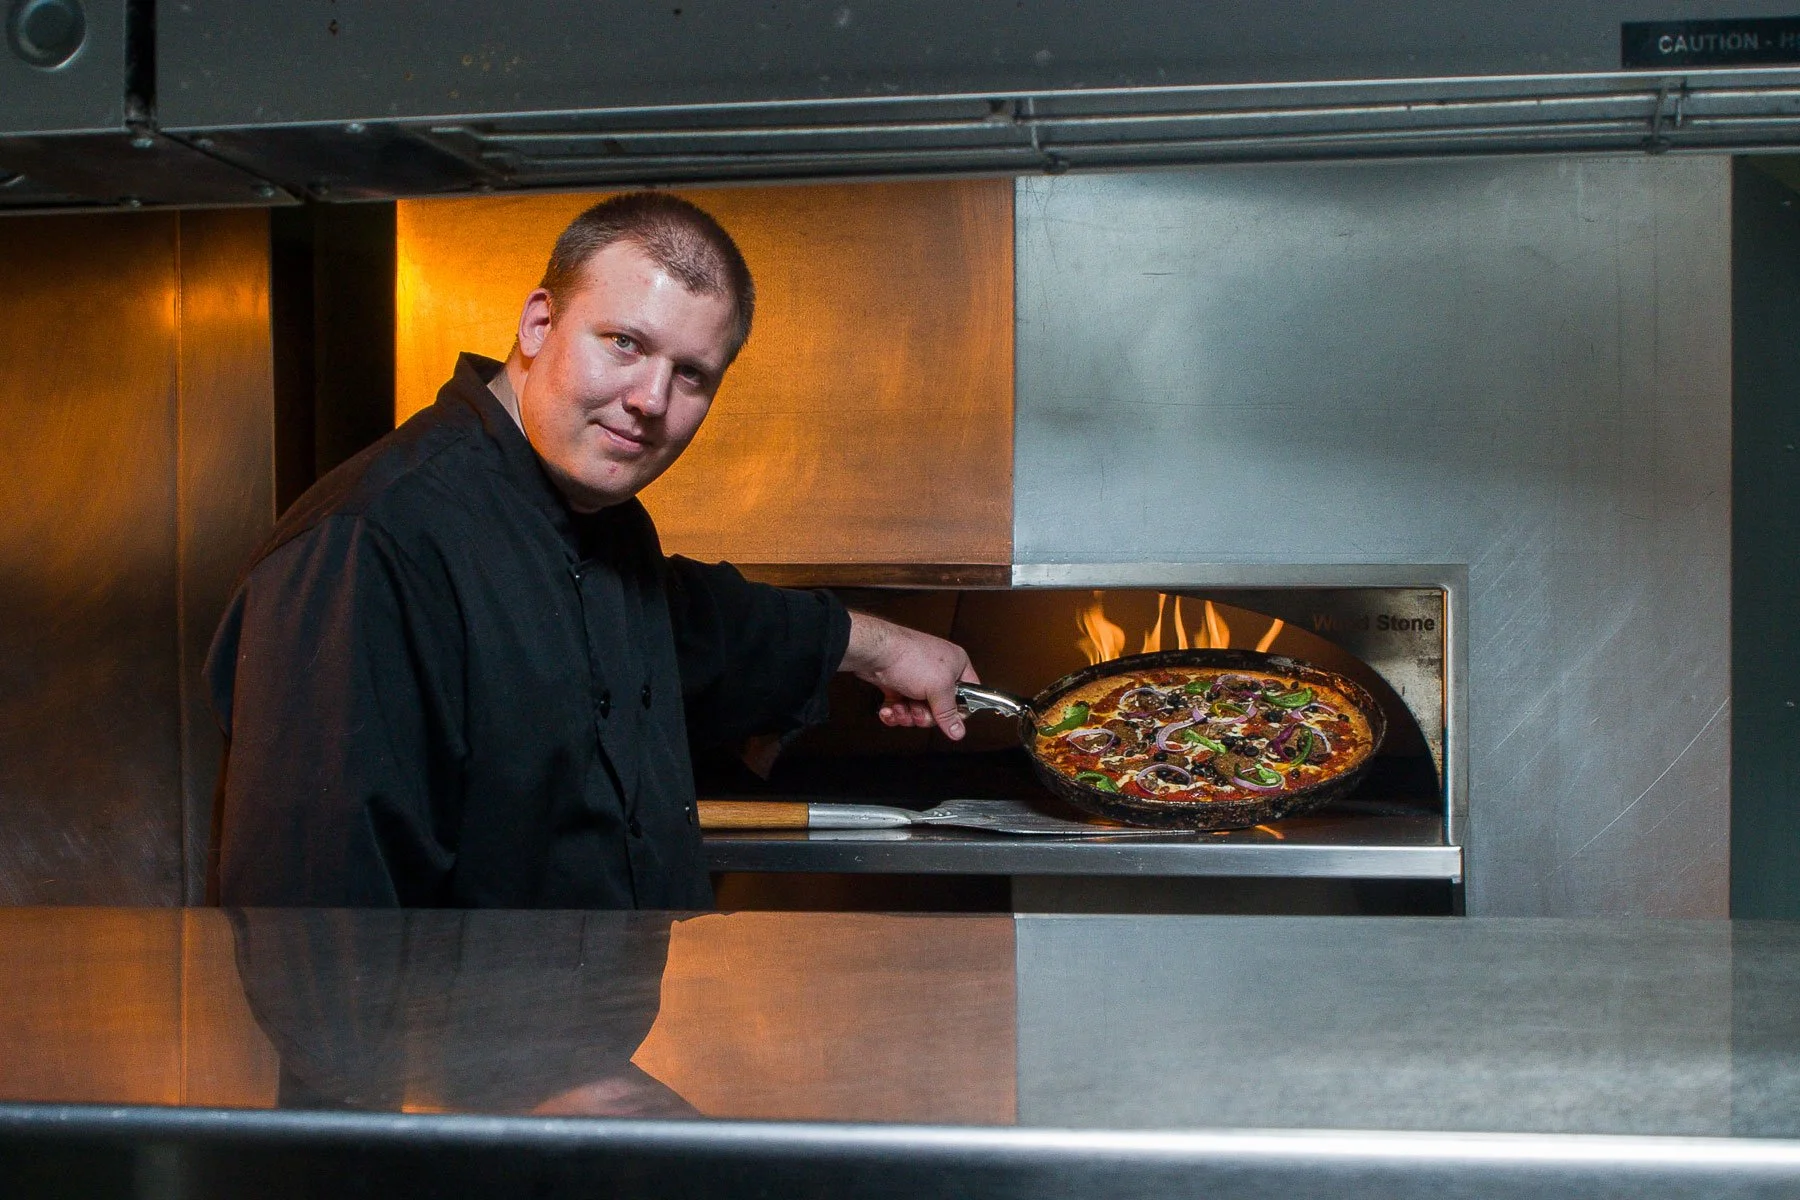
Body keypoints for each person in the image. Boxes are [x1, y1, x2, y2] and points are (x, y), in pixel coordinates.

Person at [206, 191, 978, 908]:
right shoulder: (373, 544)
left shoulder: (595, 521)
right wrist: (535, 1063)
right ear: (538, 323)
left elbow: (695, 624)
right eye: (624, 343)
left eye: (691, 375)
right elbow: (315, 934)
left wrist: (878, 646)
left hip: (593, 1042)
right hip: (469, 1057)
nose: (650, 399)